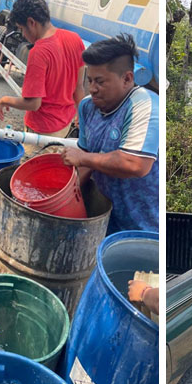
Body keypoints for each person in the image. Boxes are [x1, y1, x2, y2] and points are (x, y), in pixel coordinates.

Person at [60, 34, 158, 234]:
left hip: (143, 226)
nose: (93, 89)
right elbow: (86, 163)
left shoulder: (144, 105)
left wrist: (83, 157)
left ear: (127, 78)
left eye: (100, 81)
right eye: (89, 80)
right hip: (104, 217)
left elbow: (135, 164)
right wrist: (63, 201)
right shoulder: (88, 106)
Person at [0, 0, 85, 140]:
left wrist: (5, 100)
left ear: (31, 22)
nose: (23, 35)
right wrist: (81, 116)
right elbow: (79, 87)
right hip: (64, 127)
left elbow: (33, 103)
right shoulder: (75, 39)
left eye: (22, 29)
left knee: (34, 163)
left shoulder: (39, 52)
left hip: (41, 132)